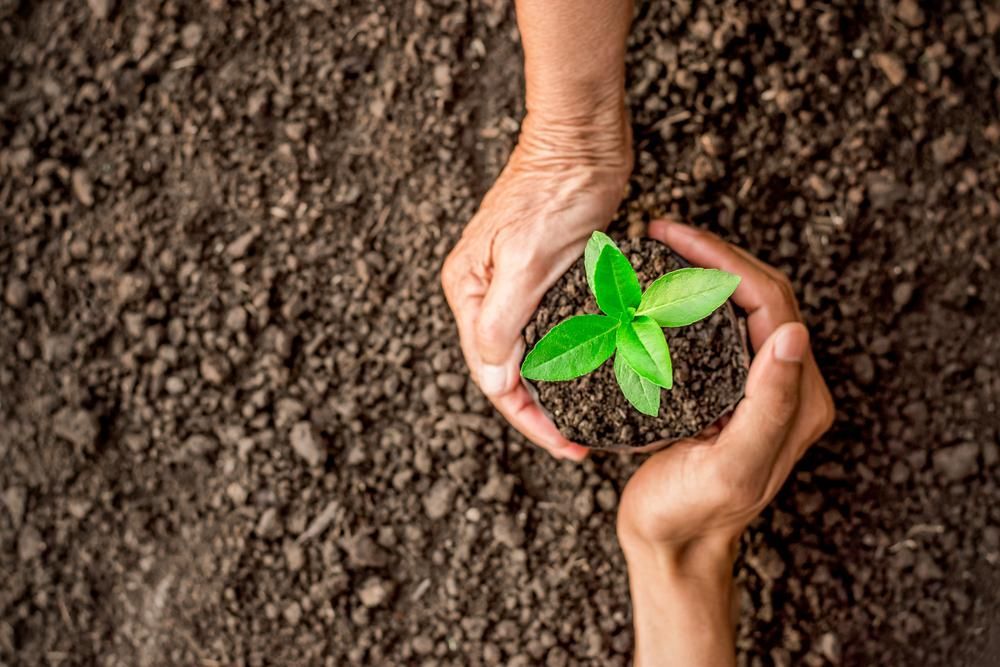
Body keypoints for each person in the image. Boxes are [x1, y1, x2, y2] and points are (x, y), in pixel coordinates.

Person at [440, 1, 834, 664]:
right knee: (654, 366)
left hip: (631, 310)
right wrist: (673, 548)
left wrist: (571, 137)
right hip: (639, 324)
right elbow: (653, 364)